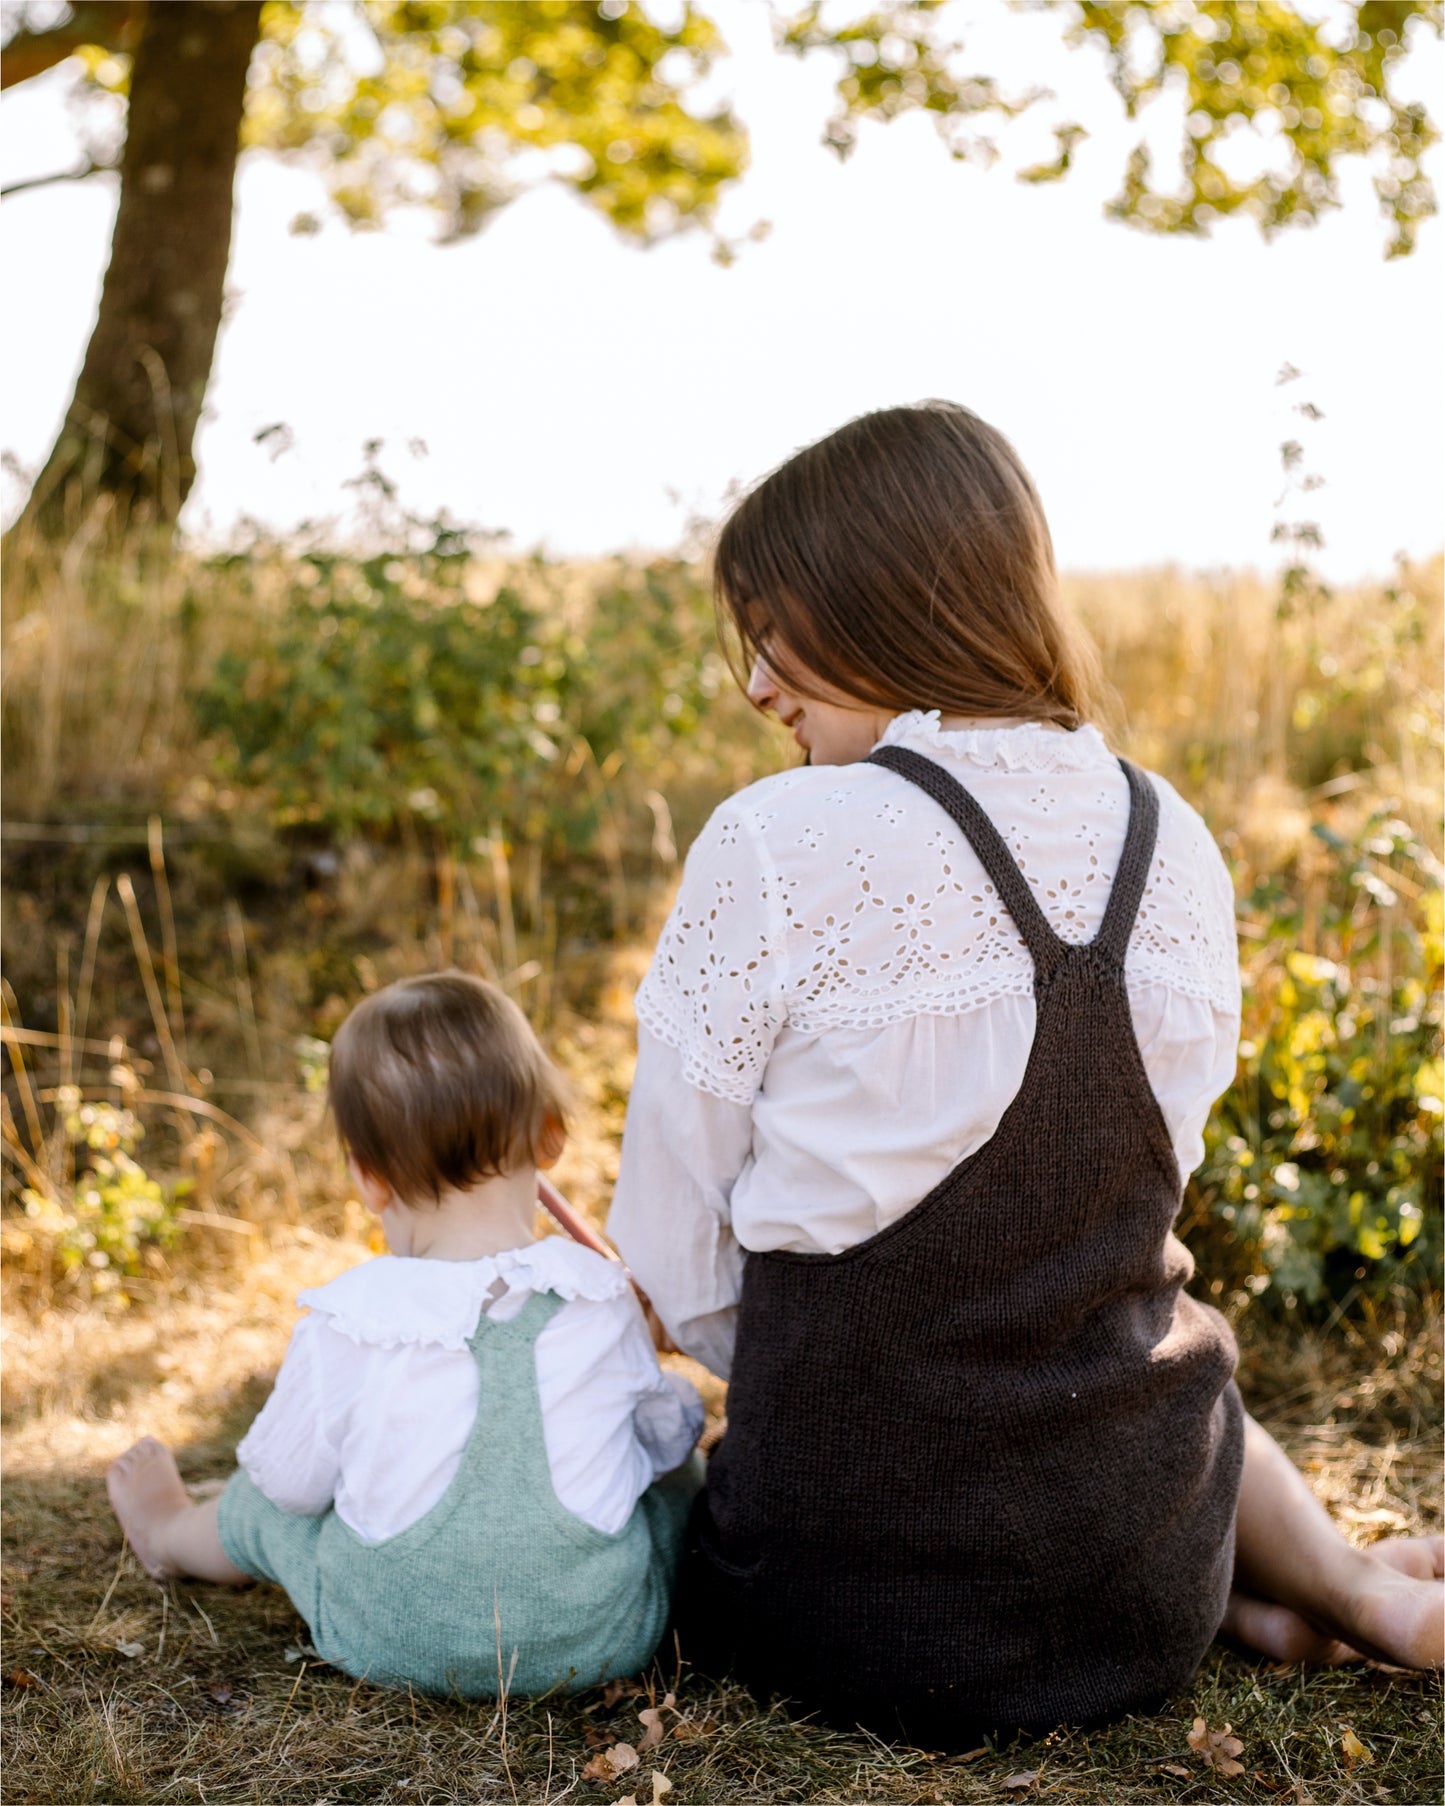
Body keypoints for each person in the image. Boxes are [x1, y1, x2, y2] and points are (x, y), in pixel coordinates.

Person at [607, 402, 1443, 1745]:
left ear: (880, 599)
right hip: (1137, 1598)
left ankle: (1315, 1590)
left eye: (772, 633)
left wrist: (730, 1357)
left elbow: (677, 1260)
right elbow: (1124, 1220)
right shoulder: (1176, 836)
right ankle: (1311, 1587)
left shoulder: (773, 840)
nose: (756, 685)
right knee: (1166, 1337)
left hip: (844, 1611)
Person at [107, 972, 704, 1698]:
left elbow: (291, 1486)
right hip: (600, 1640)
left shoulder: (353, 1317)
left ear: (368, 1179)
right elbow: (658, 1440)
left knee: (261, 1506)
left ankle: (168, 1532)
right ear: (551, 1135)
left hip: (390, 1636)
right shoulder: (601, 1293)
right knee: (677, 1474)